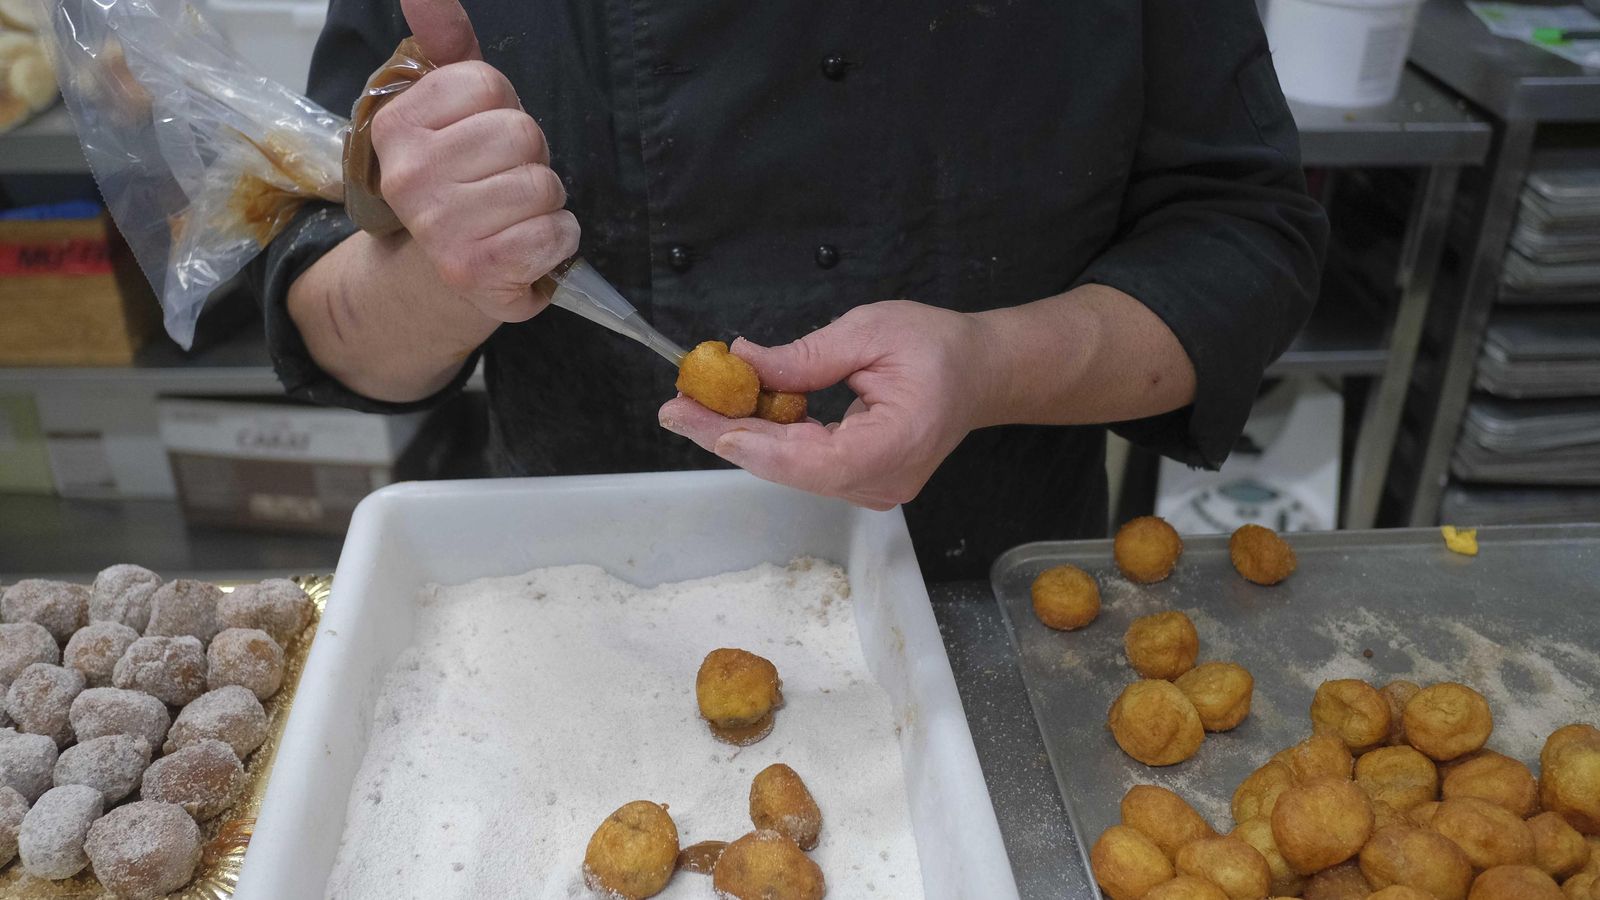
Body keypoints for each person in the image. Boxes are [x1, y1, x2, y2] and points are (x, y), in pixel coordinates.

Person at [253, 0, 1327, 581]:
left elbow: (1243, 236)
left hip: (986, 604)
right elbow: (320, 305)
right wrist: (455, 277)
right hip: (577, 601)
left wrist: (990, 364)